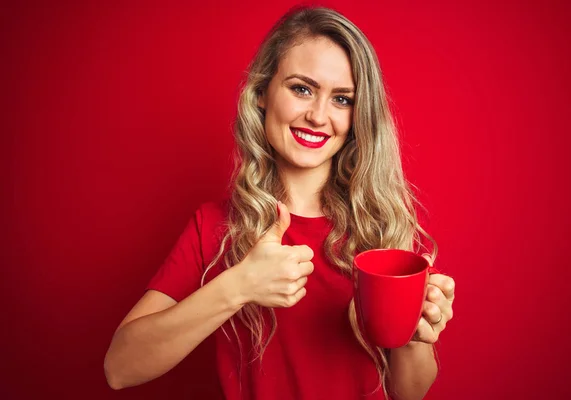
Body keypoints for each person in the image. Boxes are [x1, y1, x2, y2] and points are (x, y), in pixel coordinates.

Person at [104, 5, 456, 400]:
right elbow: (120, 367)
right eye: (301, 89)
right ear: (261, 93)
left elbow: (409, 393)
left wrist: (414, 334)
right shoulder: (215, 226)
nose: (319, 116)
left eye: (342, 99)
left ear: (360, 116)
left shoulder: (386, 228)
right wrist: (239, 285)